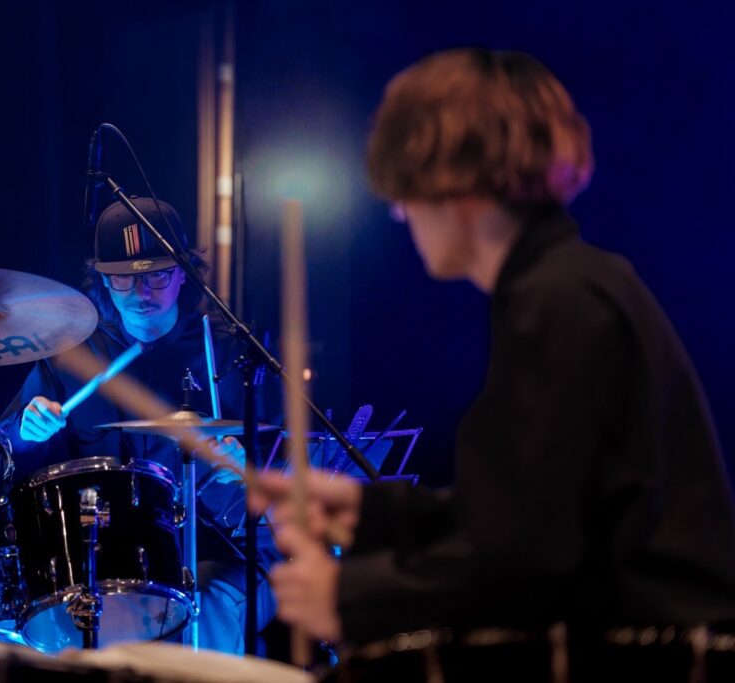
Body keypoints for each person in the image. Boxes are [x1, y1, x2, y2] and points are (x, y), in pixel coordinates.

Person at [252, 48, 735, 675]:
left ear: (451, 182)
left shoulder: (559, 301)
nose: (401, 213)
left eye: (403, 193)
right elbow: (527, 516)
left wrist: (349, 599)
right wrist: (370, 515)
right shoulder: (576, 284)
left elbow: (527, 562)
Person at [0, 196, 278, 655]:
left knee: (208, 609)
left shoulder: (231, 352)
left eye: (156, 276)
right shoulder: (72, 355)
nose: (140, 293)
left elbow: (287, 463)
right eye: (123, 278)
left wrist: (247, 467)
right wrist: (26, 431)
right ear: (102, 280)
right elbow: (5, 454)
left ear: (183, 272)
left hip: (223, 552)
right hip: (103, 557)